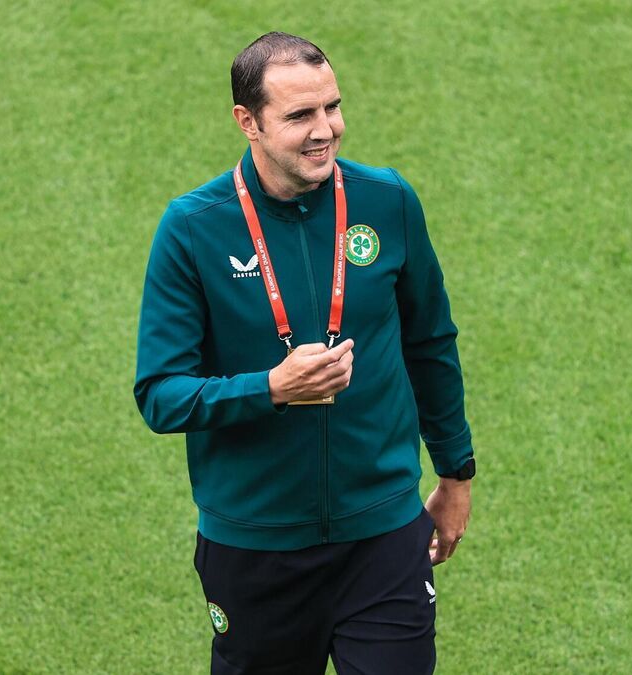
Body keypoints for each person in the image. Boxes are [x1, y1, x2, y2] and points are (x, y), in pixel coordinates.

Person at [134, 31, 475, 674]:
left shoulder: (387, 200)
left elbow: (430, 342)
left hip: (382, 533)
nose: (325, 130)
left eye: (332, 106)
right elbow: (160, 394)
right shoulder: (193, 228)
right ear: (248, 122)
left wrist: (456, 474)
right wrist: (270, 388)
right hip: (255, 548)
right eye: (299, 115)